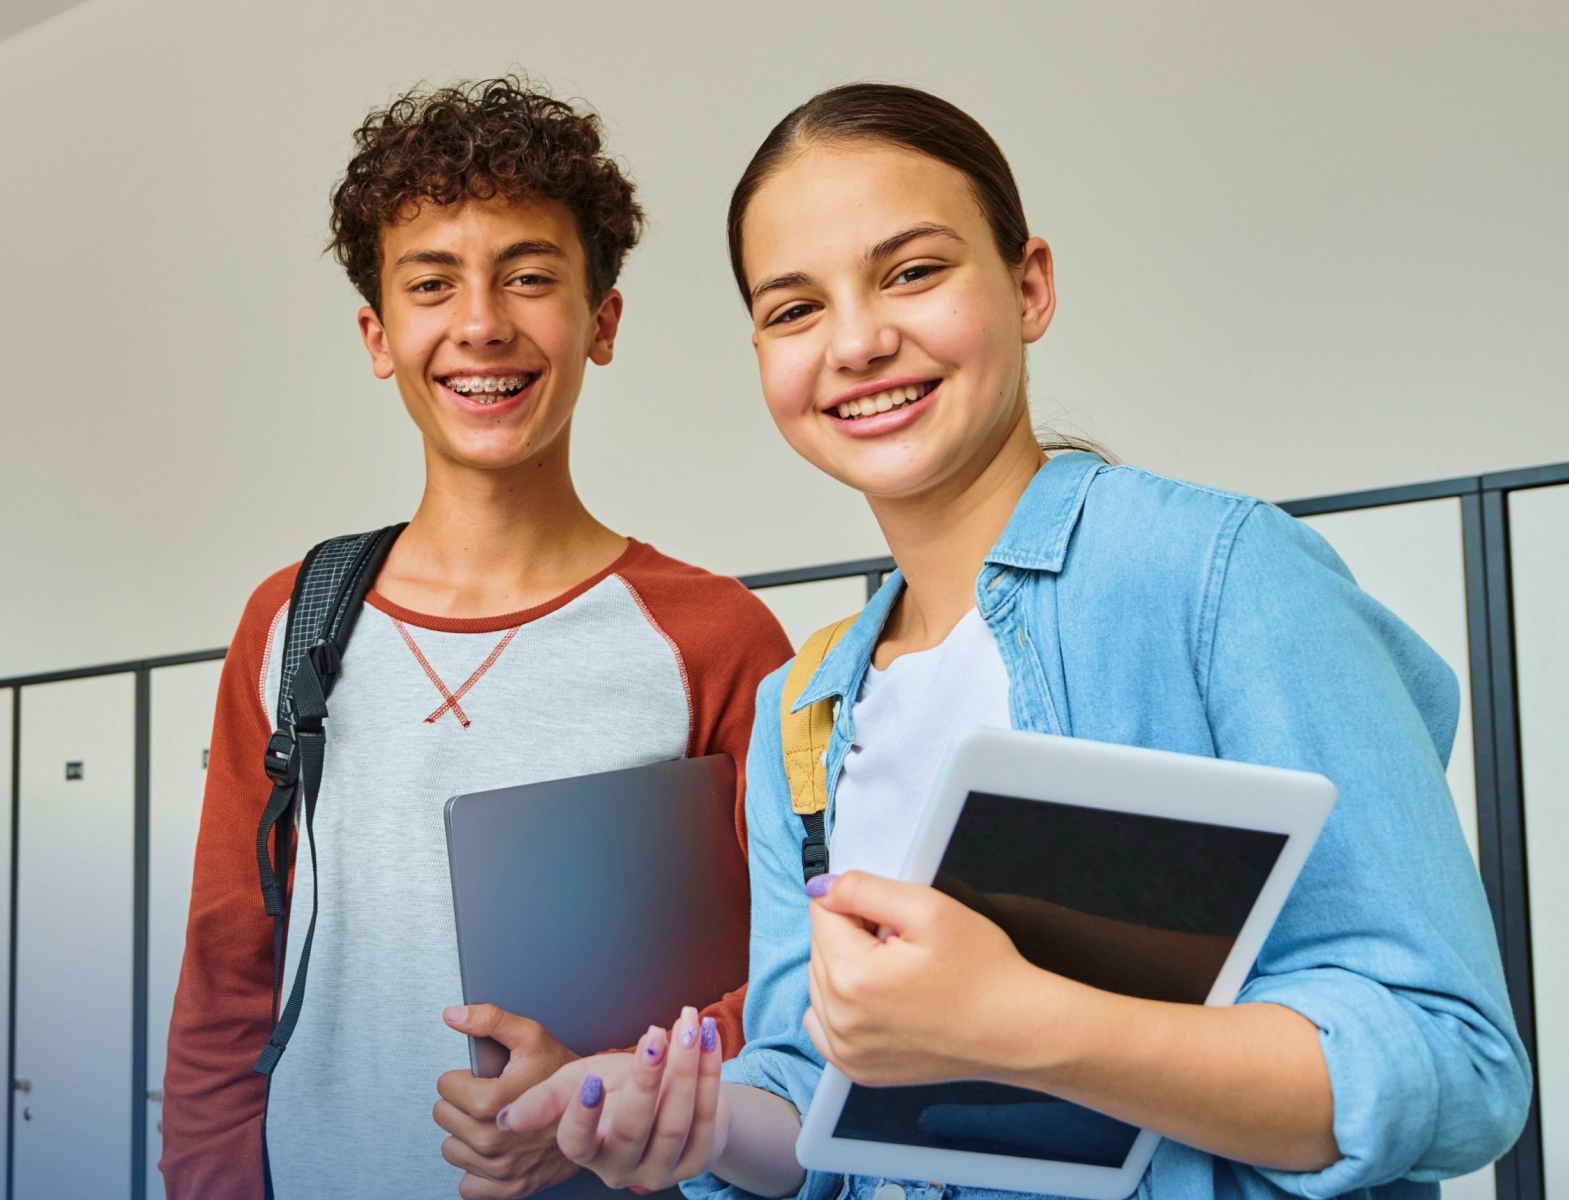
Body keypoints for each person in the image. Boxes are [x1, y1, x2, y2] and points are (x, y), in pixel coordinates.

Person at [498, 83, 1532, 1200]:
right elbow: (812, 1091)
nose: (858, 341)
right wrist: (688, 1121)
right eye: (795, 309)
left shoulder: (1219, 579)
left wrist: (1026, 1023)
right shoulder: (805, 711)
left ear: (1028, 285)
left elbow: (1457, 1065)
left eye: (913, 272)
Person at [159, 77, 792, 1200]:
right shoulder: (289, 619)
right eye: (432, 283)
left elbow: (781, 980)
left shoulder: (715, 638)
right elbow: (226, 977)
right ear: (378, 333)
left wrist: (609, 1087)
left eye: (531, 277)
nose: (482, 323)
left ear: (602, 322)